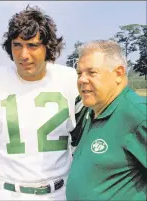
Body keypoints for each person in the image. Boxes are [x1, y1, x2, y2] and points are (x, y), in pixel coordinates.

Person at [0, 5, 83, 201]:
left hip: (61, 193)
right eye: (17, 45)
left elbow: (85, 154)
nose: (24, 55)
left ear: (48, 47)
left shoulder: (73, 82)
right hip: (8, 194)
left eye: (32, 45)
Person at [66, 40, 147, 201]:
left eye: (92, 72)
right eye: (79, 73)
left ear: (118, 73)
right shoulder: (92, 111)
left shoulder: (137, 115)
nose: (82, 80)